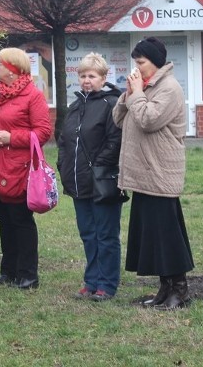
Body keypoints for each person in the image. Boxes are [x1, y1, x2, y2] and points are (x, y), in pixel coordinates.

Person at [112, 37, 193, 309]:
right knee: (154, 237)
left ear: (155, 62)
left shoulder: (169, 88)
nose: (136, 68)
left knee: (167, 236)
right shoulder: (144, 88)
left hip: (160, 173)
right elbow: (119, 119)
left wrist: (136, 94)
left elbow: (148, 120)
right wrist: (127, 95)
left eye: (141, 62)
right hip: (144, 174)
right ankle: (164, 290)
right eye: (135, 62)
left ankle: (179, 292)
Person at [0, 48, 52, 290]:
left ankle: (28, 274)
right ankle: (8, 271)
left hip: (19, 168)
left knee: (20, 220)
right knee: (3, 218)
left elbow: (43, 132)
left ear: (13, 69)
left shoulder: (33, 95)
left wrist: (11, 137)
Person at [57, 53, 123, 301]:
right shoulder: (75, 106)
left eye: (92, 76)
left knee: (105, 234)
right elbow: (64, 140)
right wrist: (63, 164)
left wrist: (99, 165)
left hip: (103, 180)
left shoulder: (111, 104)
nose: (86, 80)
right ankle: (91, 280)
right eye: (83, 75)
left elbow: (115, 140)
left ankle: (107, 284)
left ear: (103, 78)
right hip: (78, 181)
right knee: (88, 233)